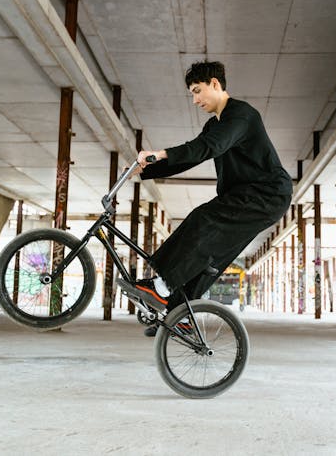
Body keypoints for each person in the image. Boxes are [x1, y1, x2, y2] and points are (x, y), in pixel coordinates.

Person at [123, 61, 292, 336]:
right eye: (192, 93)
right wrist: (146, 170)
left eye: (197, 91)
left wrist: (160, 153)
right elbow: (193, 156)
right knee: (212, 259)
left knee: (203, 220)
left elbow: (209, 147)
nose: (195, 100)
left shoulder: (241, 115)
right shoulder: (215, 124)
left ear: (215, 84)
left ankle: (161, 288)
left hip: (267, 193)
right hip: (249, 196)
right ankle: (181, 313)